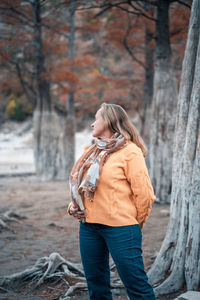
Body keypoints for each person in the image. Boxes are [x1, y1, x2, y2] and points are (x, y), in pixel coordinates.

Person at [67, 103, 156, 300]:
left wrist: (132, 225)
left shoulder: (130, 152)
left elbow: (145, 195)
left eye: (96, 118)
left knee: (136, 285)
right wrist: (73, 207)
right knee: (96, 286)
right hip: (88, 228)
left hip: (121, 228)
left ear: (107, 120)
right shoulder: (91, 150)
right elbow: (82, 188)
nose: (92, 124)